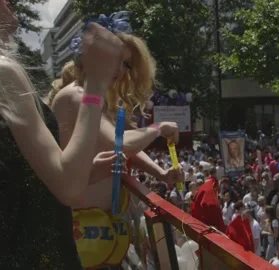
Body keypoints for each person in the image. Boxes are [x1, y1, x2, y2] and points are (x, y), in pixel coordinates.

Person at [0, 2, 124, 268]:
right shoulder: (4, 72)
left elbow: (15, 175)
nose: (10, 5)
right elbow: (69, 188)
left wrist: (85, 171)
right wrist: (95, 83)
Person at [48, 12, 183, 211]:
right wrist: (158, 128)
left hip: (98, 224)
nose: (119, 69)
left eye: (125, 64)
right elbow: (117, 144)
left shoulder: (91, 96)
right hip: (81, 226)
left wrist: (160, 173)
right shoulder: (78, 95)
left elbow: (119, 146)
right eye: (114, 59)